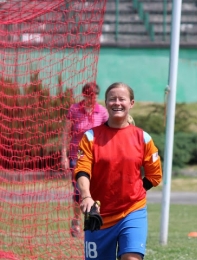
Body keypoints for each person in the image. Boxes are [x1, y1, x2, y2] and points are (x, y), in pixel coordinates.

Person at [73, 82, 162, 260]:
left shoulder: (143, 138)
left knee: (131, 258)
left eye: (122, 99)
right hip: (98, 213)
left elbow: (155, 175)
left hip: (132, 211)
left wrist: (135, 190)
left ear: (131, 103)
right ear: (106, 103)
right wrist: (86, 197)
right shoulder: (91, 137)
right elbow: (82, 170)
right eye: (112, 99)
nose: (117, 103)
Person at [61, 82, 109, 238]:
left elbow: (107, 133)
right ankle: (75, 222)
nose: (91, 98)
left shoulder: (101, 112)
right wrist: (64, 155)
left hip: (97, 158)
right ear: (84, 95)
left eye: (94, 95)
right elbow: (66, 133)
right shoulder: (74, 110)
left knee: (95, 191)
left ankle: (92, 220)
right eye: (89, 95)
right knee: (78, 192)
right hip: (77, 157)